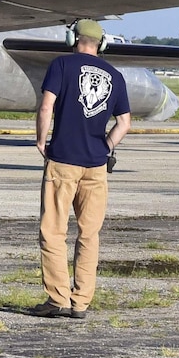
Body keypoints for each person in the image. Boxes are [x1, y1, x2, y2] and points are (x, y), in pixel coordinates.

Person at [28, 19, 131, 319]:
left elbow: (46, 106)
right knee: (89, 234)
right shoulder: (115, 75)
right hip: (96, 166)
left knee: (53, 231)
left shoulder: (61, 65)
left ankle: (58, 298)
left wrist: (40, 139)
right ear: (101, 43)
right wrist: (106, 147)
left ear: (74, 38)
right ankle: (81, 302)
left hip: (63, 160)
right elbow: (124, 123)